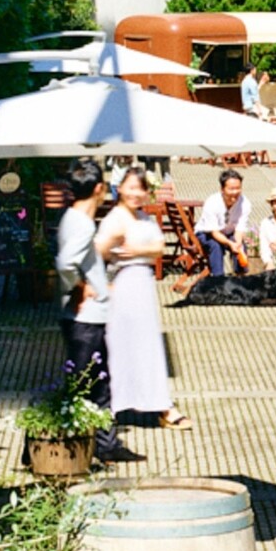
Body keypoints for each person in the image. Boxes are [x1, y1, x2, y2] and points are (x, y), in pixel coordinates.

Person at [50, 158, 141, 463]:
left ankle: (101, 445)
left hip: (86, 316)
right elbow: (65, 263)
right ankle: (85, 448)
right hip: (85, 318)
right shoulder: (82, 223)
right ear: (100, 188)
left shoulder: (72, 218)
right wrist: (79, 286)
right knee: (89, 386)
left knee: (92, 383)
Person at [95, 172, 189, 428]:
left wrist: (138, 250)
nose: (136, 193)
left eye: (141, 189)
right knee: (120, 346)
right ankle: (113, 406)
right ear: (120, 188)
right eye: (131, 188)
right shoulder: (114, 219)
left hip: (143, 285)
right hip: (123, 286)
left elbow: (159, 248)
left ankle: (160, 404)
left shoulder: (144, 217)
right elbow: (98, 250)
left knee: (147, 345)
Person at [194, 168, 253, 276]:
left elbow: (240, 229)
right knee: (216, 246)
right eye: (231, 189)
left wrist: (237, 243)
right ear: (222, 189)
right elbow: (214, 232)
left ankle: (241, 277)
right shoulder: (212, 202)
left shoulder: (245, 203)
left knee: (240, 247)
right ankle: (218, 279)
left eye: (238, 188)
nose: (235, 192)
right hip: (207, 233)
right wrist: (230, 243)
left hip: (229, 232)